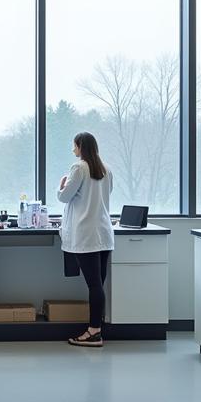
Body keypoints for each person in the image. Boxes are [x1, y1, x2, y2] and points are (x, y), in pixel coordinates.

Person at [58, 131, 114, 349]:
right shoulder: (106, 169)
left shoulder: (79, 168)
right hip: (103, 233)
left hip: (86, 234)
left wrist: (61, 186)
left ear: (80, 146)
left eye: (74, 146)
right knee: (98, 284)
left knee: (94, 285)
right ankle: (96, 328)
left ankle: (93, 333)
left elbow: (64, 197)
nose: (73, 150)